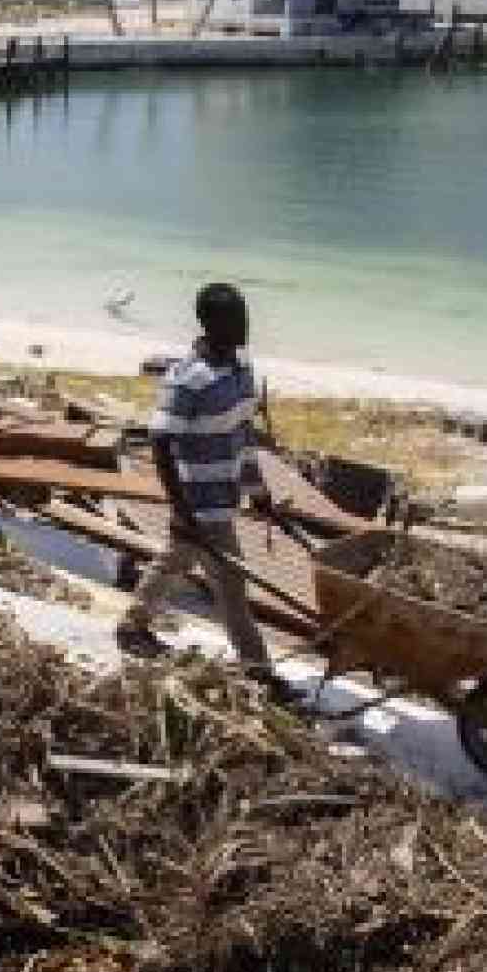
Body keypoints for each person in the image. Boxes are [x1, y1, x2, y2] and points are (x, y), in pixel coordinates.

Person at [117, 282, 278, 681]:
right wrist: (181, 507)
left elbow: (243, 436)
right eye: (235, 317)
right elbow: (160, 441)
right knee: (232, 586)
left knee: (175, 559)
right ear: (212, 323)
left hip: (224, 494)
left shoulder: (243, 372)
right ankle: (259, 670)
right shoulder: (188, 377)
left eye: (245, 315)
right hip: (199, 499)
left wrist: (257, 491)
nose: (244, 324)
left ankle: (132, 625)